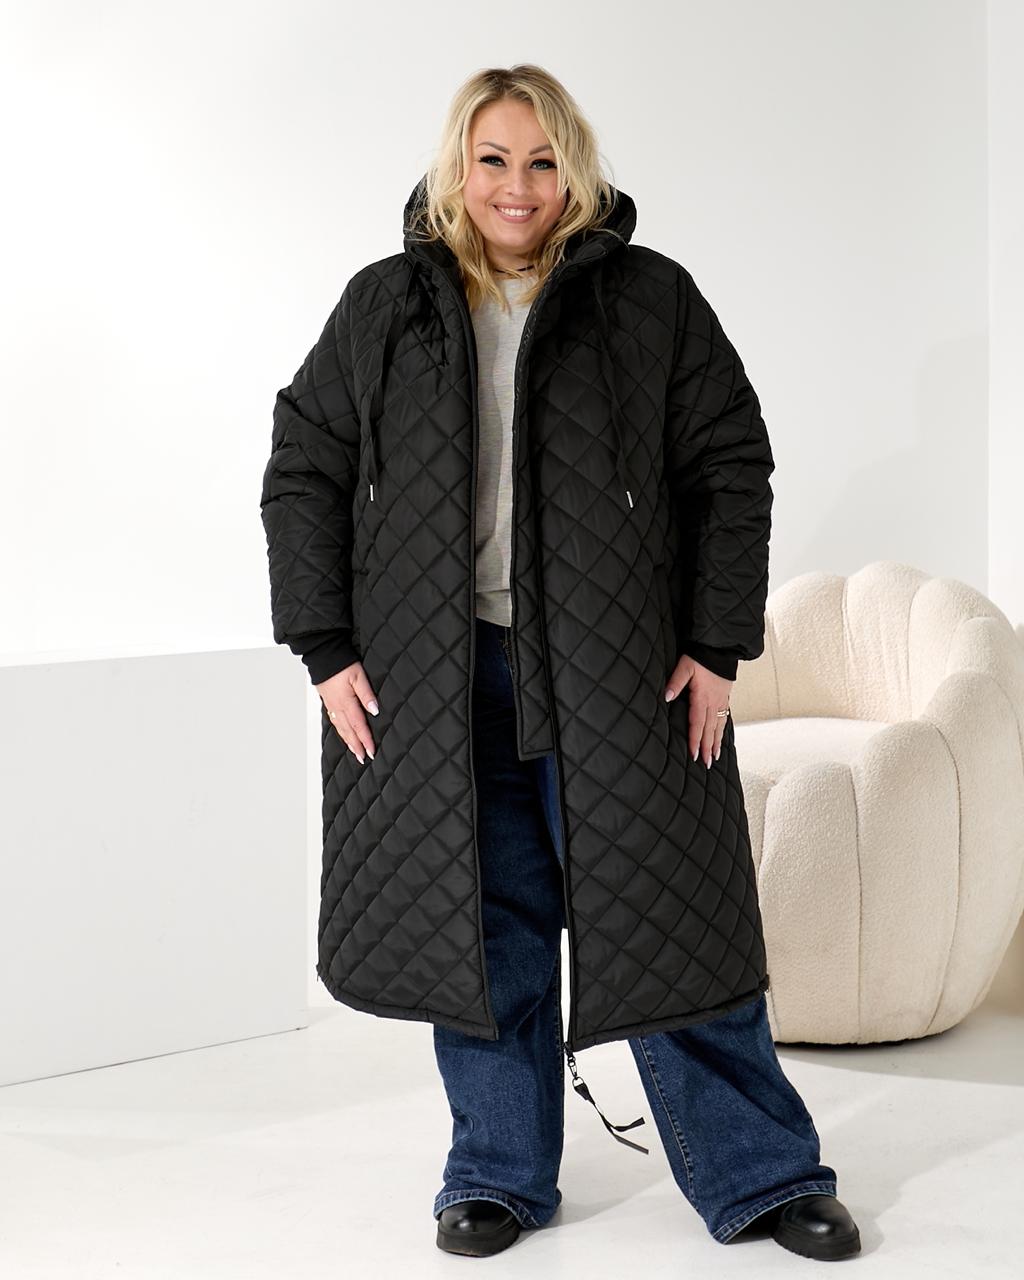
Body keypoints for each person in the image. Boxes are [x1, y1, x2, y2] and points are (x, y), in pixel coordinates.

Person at [260, 64, 861, 1263]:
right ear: (457, 167)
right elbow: (303, 467)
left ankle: (763, 1173)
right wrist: (324, 646)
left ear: (573, 169)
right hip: (438, 678)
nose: (518, 186)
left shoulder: (649, 299)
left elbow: (729, 465)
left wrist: (716, 644)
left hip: (619, 671)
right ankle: (494, 1170)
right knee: (481, 933)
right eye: (492, 159)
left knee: (670, 917)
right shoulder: (386, 305)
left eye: (541, 161)